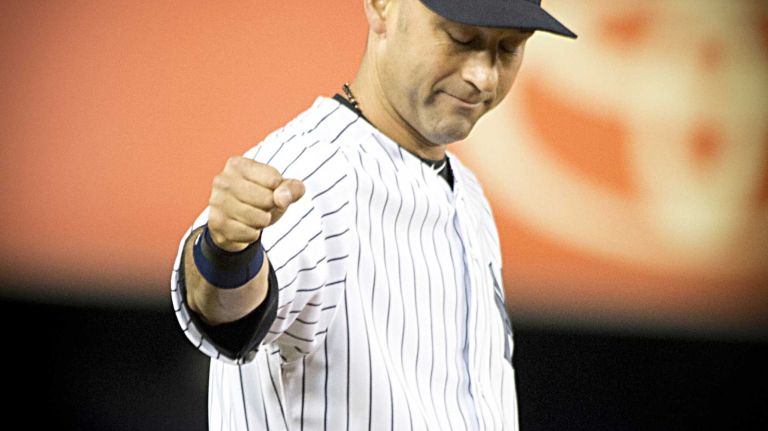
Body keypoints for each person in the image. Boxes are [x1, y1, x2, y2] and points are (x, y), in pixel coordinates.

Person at [171, 0, 575, 429]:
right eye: (461, 39)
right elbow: (223, 313)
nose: (483, 75)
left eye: (508, 48)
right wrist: (226, 251)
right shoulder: (312, 171)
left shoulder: (468, 194)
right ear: (382, 6)